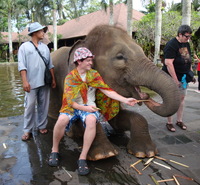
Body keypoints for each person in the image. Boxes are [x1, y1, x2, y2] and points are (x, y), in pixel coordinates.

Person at [48, 47, 138, 175]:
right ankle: (54, 150)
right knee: (62, 119)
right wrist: (85, 108)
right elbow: (70, 102)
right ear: (79, 61)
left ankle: (82, 158)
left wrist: (125, 100)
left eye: (91, 60)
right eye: (88, 60)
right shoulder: (70, 78)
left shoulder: (93, 75)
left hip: (89, 105)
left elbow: (106, 90)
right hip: (73, 106)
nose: (91, 63)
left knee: (91, 120)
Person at [18, 22, 56, 141]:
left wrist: (53, 79)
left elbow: (50, 65)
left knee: (43, 105)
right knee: (29, 106)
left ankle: (42, 126)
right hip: (31, 83)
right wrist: (25, 81)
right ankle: (27, 130)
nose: (43, 33)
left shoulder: (45, 47)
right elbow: (22, 66)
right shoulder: (24, 47)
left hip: (45, 81)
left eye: (43, 30)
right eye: (41, 31)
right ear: (34, 32)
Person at [162, 25, 195, 132]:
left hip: (184, 77)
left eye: (189, 36)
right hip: (171, 77)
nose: (188, 38)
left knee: (181, 99)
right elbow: (168, 63)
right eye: (186, 36)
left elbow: (187, 59)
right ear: (180, 34)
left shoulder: (185, 43)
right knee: (171, 99)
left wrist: (190, 74)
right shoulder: (172, 45)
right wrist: (175, 81)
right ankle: (169, 122)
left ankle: (179, 120)